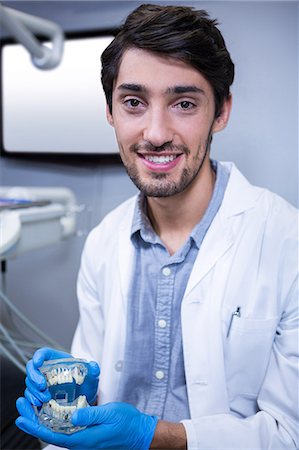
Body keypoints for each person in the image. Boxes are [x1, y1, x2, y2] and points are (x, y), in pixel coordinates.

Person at [15, 3, 298, 449]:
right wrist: (70, 393)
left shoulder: (287, 242)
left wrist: (152, 437)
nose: (156, 132)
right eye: (133, 102)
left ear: (221, 112)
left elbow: (290, 434)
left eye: (184, 103)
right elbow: (93, 392)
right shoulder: (105, 242)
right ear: (110, 111)